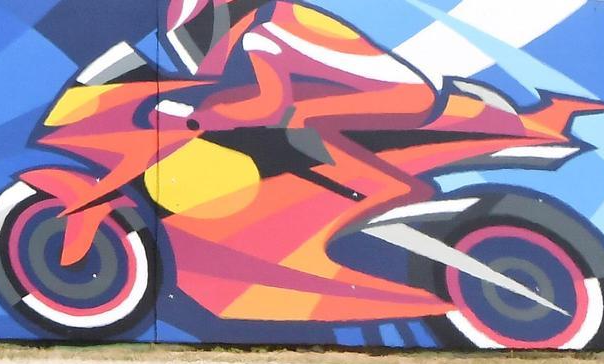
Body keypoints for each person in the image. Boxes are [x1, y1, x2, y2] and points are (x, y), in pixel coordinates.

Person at [164, 0, 438, 218]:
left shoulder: (263, 32)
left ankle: (397, 188)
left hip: (405, 97)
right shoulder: (269, 16)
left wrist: (202, 118)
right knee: (293, 111)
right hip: (379, 90)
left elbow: (271, 106)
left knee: (298, 117)